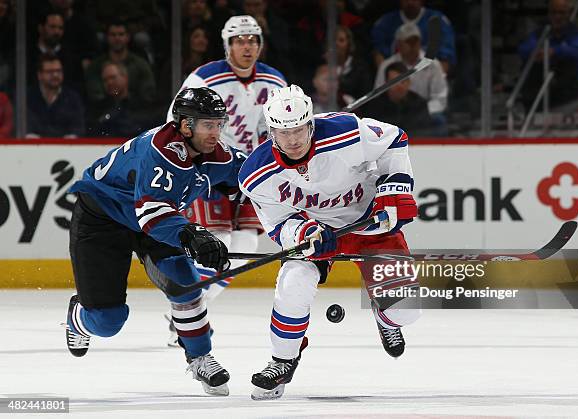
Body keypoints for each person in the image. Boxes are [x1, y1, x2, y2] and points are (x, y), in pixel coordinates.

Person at [238, 85, 420, 400]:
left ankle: (384, 314)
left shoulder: (346, 131)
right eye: (283, 133)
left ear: (311, 124)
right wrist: (303, 233)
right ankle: (283, 359)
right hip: (317, 232)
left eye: (298, 130)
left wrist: (395, 187)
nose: (292, 139)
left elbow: (394, 139)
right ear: (271, 133)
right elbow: (278, 224)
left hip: (367, 222)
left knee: (405, 311)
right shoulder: (255, 174)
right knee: (294, 282)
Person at [64, 87, 244, 396]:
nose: (216, 133)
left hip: (153, 215)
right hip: (103, 217)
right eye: (207, 125)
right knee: (107, 322)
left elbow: (255, 174)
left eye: (219, 124)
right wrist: (192, 235)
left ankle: (199, 355)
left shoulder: (213, 151)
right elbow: (151, 216)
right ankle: (77, 317)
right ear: (186, 126)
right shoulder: (162, 152)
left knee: (184, 279)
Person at [163, 15, 287, 346]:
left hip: (253, 171)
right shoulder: (204, 77)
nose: (247, 46)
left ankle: (190, 309)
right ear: (227, 45)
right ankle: (189, 314)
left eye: (252, 40)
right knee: (216, 240)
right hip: (213, 168)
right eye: (239, 40)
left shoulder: (275, 81)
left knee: (246, 244)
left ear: (260, 44)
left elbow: (283, 125)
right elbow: (175, 119)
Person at [518, 0, 578, 109]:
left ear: (569, 13)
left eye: (561, 13)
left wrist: (554, 52)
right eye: (554, 12)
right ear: (549, 13)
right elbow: (524, 49)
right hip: (540, 90)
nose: (557, 17)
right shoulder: (540, 33)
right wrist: (536, 52)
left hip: (569, 92)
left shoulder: (576, 34)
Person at [374, 22, 448, 121]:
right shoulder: (386, 66)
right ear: (398, 44)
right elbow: (379, 96)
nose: (413, 45)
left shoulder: (433, 64)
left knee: (438, 120)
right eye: (408, 42)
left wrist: (420, 112)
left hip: (423, 113)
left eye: (415, 41)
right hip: (392, 113)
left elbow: (440, 99)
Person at [370, 0, 456, 72]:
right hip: (395, 80)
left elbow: (446, 60)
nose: (410, 2)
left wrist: (434, 80)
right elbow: (378, 54)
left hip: (429, 77)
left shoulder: (438, 21)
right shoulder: (385, 22)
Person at [26, 53, 85, 138]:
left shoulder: (72, 98)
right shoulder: (28, 97)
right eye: (50, 72)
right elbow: (27, 129)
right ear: (39, 75)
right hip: (34, 148)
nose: (55, 75)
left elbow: (78, 129)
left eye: (58, 71)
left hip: (66, 149)